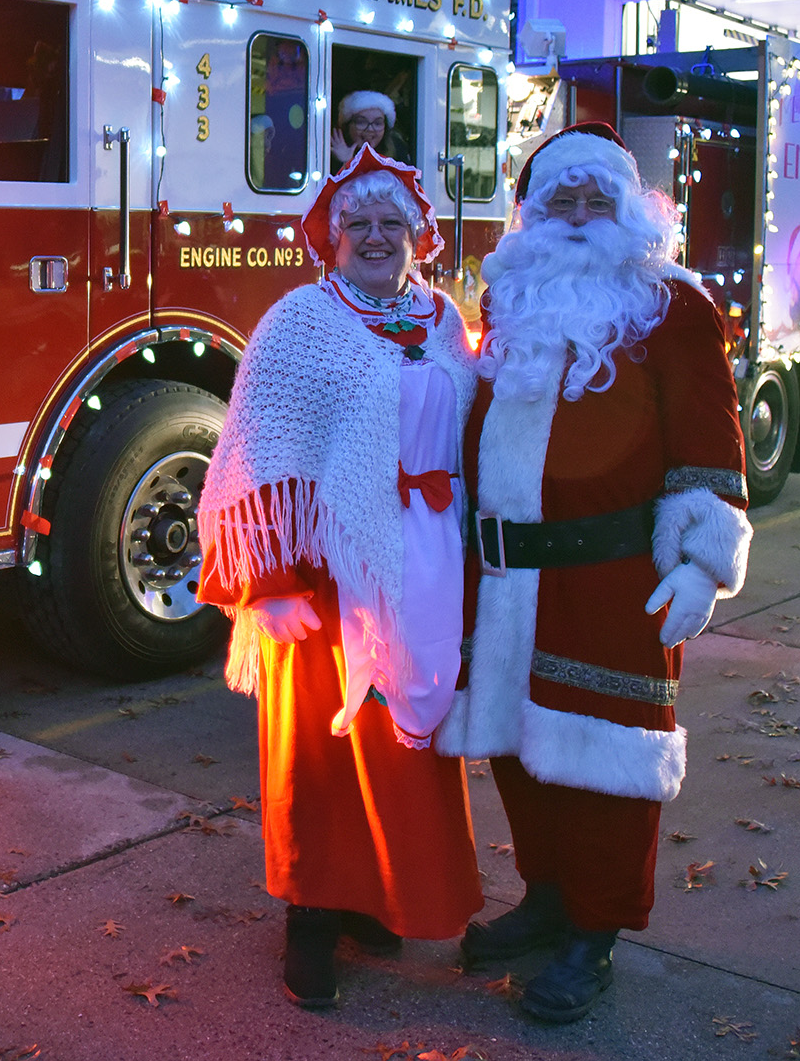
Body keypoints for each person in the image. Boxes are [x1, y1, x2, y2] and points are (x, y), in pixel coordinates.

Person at [435, 122, 752, 1023]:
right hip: (505, 581)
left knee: (607, 761)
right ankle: (547, 897)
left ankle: (597, 932)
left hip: (614, 580)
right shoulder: (513, 300)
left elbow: (708, 448)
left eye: (595, 200)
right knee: (521, 752)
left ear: (630, 210)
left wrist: (699, 562)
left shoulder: (675, 309)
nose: (578, 217)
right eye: (559, 201)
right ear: (531, 216)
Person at [197, 145, 482, 1009]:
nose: (373, 236)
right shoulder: (299, 322)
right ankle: (312, 917)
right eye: (356, 222)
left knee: (406, 747)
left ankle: (378, 895)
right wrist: (270, 580)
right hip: (327, 577)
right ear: (329, 235)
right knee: (322, 756)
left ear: (418, 234)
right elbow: (253, 453)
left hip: (427, 565)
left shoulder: (442, 320)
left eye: (391, 222)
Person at [328, 90, 403, 166]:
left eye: (377, 123)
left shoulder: (397, 152)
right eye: (361, 122)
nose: (370, 129)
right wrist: (345, 162)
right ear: (348, 126)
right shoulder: (327, 157)